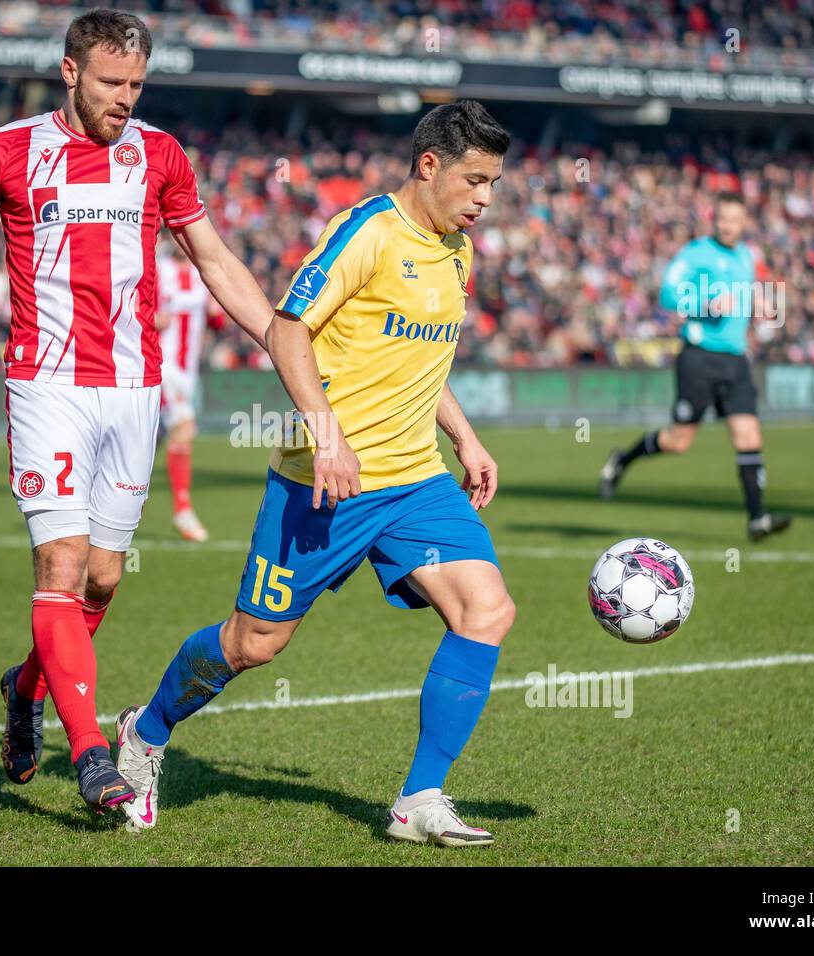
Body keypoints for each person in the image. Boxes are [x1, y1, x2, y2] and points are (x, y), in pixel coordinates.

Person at [0, 8, 272, 813]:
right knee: (60, 566)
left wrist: (277, 337)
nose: (126, 97)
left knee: (103, 577)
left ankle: (25, 688)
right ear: (71, 72)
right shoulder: (8, 150)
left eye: (137, 84)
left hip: (134, 390)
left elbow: (216, 258)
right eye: (113, 82)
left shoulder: (161, 156)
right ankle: (91, 753)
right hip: (45, 384)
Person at [113, 101, 517, 847]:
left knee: (486, 610)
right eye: (475, 180)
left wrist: (465, 438)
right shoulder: (366, 231)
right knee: (255, 644)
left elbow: (422, 358)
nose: (485, 198)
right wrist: (328, 438)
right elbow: (288, 327)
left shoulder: (458, 249)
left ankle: (418, 799)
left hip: (415, 482)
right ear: (429, 166)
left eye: (493, 183)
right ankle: (147, 730)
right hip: (324, 482)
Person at [599, 192, 791, 542]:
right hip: (699, 358)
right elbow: (668, 295)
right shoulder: (697, 252)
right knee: (678, 441)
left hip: (735, 359)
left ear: (745, 222)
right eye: (722, 219)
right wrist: (705, 302)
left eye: (734, 220)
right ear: (713, 219)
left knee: (749, 435)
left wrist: (758, 303)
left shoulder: (747, 256)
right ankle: (622, 459)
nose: (727, 226)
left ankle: (757, 518)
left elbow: (744, 297)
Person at [155, 242, 217, 541]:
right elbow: (136, 309)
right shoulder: (158, 270)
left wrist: (217, 312)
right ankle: (183, 508)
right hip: (162, 363)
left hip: (188, 369)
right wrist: (151, 319)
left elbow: (215, 320)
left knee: (149, 439)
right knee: (184, 428)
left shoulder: (201, 273)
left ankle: (109, 499)